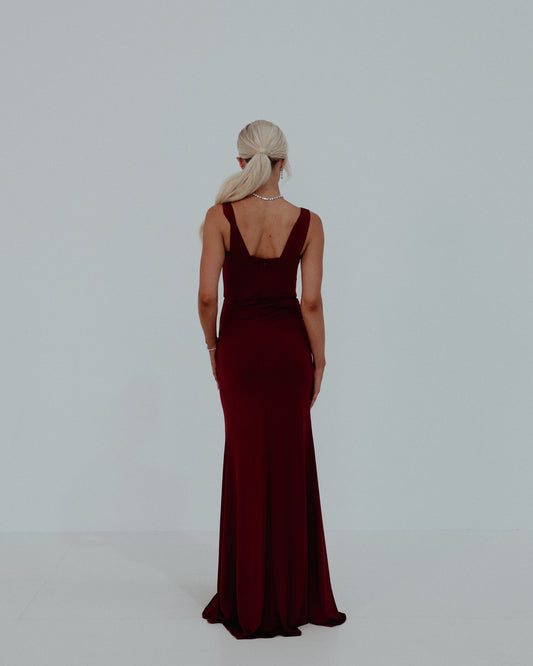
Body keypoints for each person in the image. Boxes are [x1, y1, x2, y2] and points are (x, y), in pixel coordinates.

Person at [197, 119, 346, 639]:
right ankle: (294, 593)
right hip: (287, 353)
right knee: (289, 461)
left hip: (240, 351)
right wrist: (319, 360)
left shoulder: (219, 217)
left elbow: (207, 297)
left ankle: (249, 593)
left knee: (246, 460)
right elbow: (311, 302)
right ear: (284, 162)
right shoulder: (309, 222)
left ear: (241, 162)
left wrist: (213, 346)